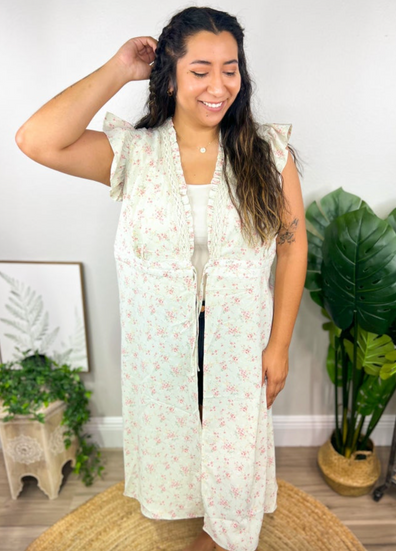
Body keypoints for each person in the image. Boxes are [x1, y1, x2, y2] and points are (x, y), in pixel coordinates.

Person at [15, 6, 307, 551]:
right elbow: (37, 140)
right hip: (161, 345)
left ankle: (223, 535)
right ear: (170, 77)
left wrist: (280, 343)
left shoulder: (268, 152)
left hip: (238, 341)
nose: (218, 86)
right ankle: (187, 515)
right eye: (200, 70)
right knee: (173, 445)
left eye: (230, 69)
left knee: (235, 452)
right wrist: (119, 69)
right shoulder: (135, 153)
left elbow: (291, 249)